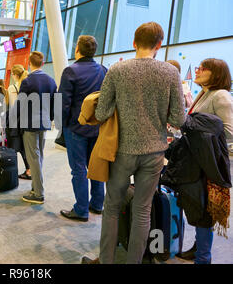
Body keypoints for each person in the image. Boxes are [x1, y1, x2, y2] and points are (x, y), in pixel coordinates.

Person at [82, 22, 185, 264]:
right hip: (154, 153)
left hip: (121, 151)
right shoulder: (171, 73)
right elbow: (178, 119)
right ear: (159, 45)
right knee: (142, 211)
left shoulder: (117, 71)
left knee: (112, 208)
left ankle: (106, 261)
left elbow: (104, 111)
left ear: (134, 43)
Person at [177, 58, 233, 264]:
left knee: (204, 211)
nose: (198, 70)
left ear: (216, 74)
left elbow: (228, 132)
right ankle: (198, 249)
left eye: (203, 68)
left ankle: (203, 257)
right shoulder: (205, 92)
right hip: (196, 160)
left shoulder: (221, 97)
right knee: (196, 206)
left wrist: (200, 136)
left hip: (207, 163)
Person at [58, 35, 107, 222]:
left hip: (76, 128)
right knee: (95, 167)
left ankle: (81, 209)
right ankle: (97, 204)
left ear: (77, 49)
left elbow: (63, 102)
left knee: (78, 169)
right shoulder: (103, 70)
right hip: (97, 128)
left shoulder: (71, 71)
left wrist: (62, 126)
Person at [11, 51, 57, 204]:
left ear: (29, 63)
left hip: (30, 123)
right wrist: (48, 119)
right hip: (44, 122)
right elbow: (53, 105)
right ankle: (35, 186)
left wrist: (11, 119)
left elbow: (20, 104)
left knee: (33, 157)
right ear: (43, 63)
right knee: (39, 155)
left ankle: (38, 193)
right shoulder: (51, 81)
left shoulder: (28, 81)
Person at [6, 64, 31, 180]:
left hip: (15, 121)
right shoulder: (29, 85)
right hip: (27, 121)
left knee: (14, 148)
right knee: (25, 148)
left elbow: (11, 107)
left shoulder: (12, 88)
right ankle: (29, 170)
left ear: (15, 75)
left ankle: (12, 172)